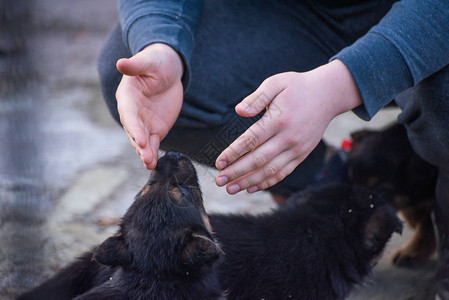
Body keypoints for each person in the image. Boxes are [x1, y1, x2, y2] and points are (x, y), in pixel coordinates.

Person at [97, 0, 449, 298]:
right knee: (130, 71)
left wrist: (344, 81)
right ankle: (332, 188)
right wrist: (161, 41)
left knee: (442, 103)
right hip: (297, 14)